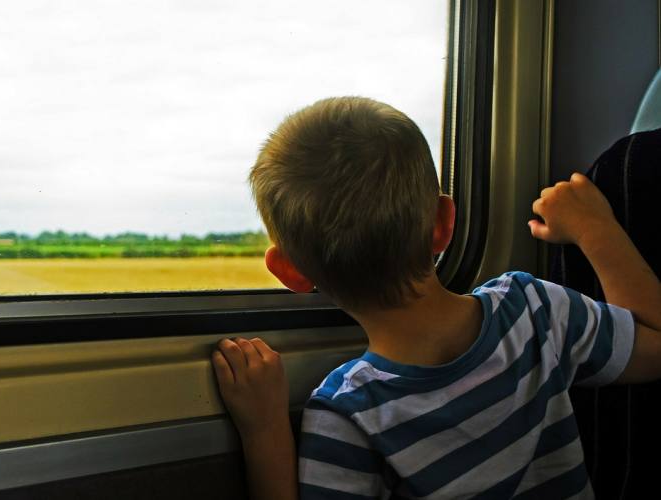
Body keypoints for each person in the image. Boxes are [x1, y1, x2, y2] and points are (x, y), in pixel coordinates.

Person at [211, 96, 661, 499]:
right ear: (444, 223)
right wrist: (594, 228)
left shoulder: (349, 413)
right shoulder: (534, 309)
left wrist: (264, 428)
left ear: (289, 271)